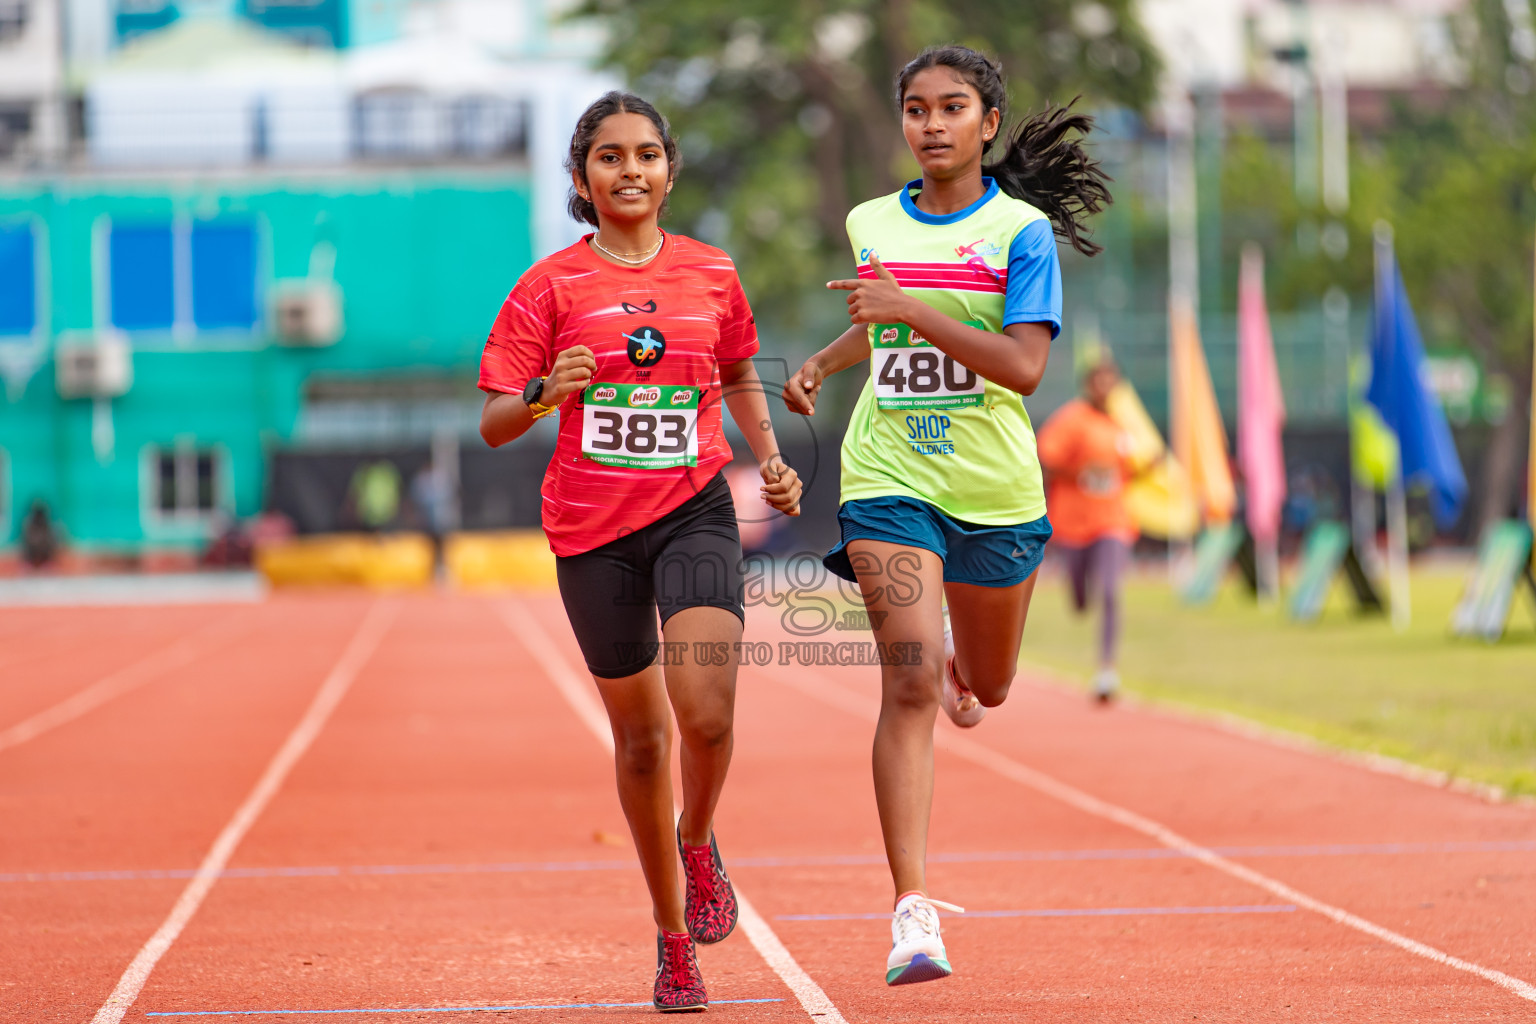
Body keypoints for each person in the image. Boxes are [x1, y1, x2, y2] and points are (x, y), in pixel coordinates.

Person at [782, 45, 1109, 986]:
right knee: (911, 682)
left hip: (995, 492)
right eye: (916, 109)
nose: (931, 124)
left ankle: (970, 669)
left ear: (987, 123)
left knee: (986, 686)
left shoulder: (1021, 234)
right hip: (889, 473)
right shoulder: (871, 219)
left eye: (951, 108)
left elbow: (1021, 368)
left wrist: (907, 311)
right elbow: (880, 319)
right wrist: (824, 361)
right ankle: (912, 913)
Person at [478, 91, 801, 1013]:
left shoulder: (712, 272)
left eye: (647, 154)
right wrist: (545, 391)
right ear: (582, 177)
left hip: (694, 510)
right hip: (592, 532)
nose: (631, 171)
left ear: (670, 169)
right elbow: (497, 420)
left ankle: (698, 837)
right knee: (644, 738)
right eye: (610, 157)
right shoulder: (547, 287)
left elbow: (737, 369)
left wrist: (770, 461)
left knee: (707, 713)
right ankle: (671, 937)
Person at [1037, 353, 1139, 701]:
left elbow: (1126, 470)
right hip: (1073, 524)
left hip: (1113, 521)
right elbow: (1046, 460)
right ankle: (1079, 595)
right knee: (1081, 599)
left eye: (1111, 380)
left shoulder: (1120, 426)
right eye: (1099, 379)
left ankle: (1107, 670)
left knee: (1110, 590)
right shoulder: (1071, 420)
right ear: (1087, 384)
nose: (1105, 386)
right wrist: (1080, 474)